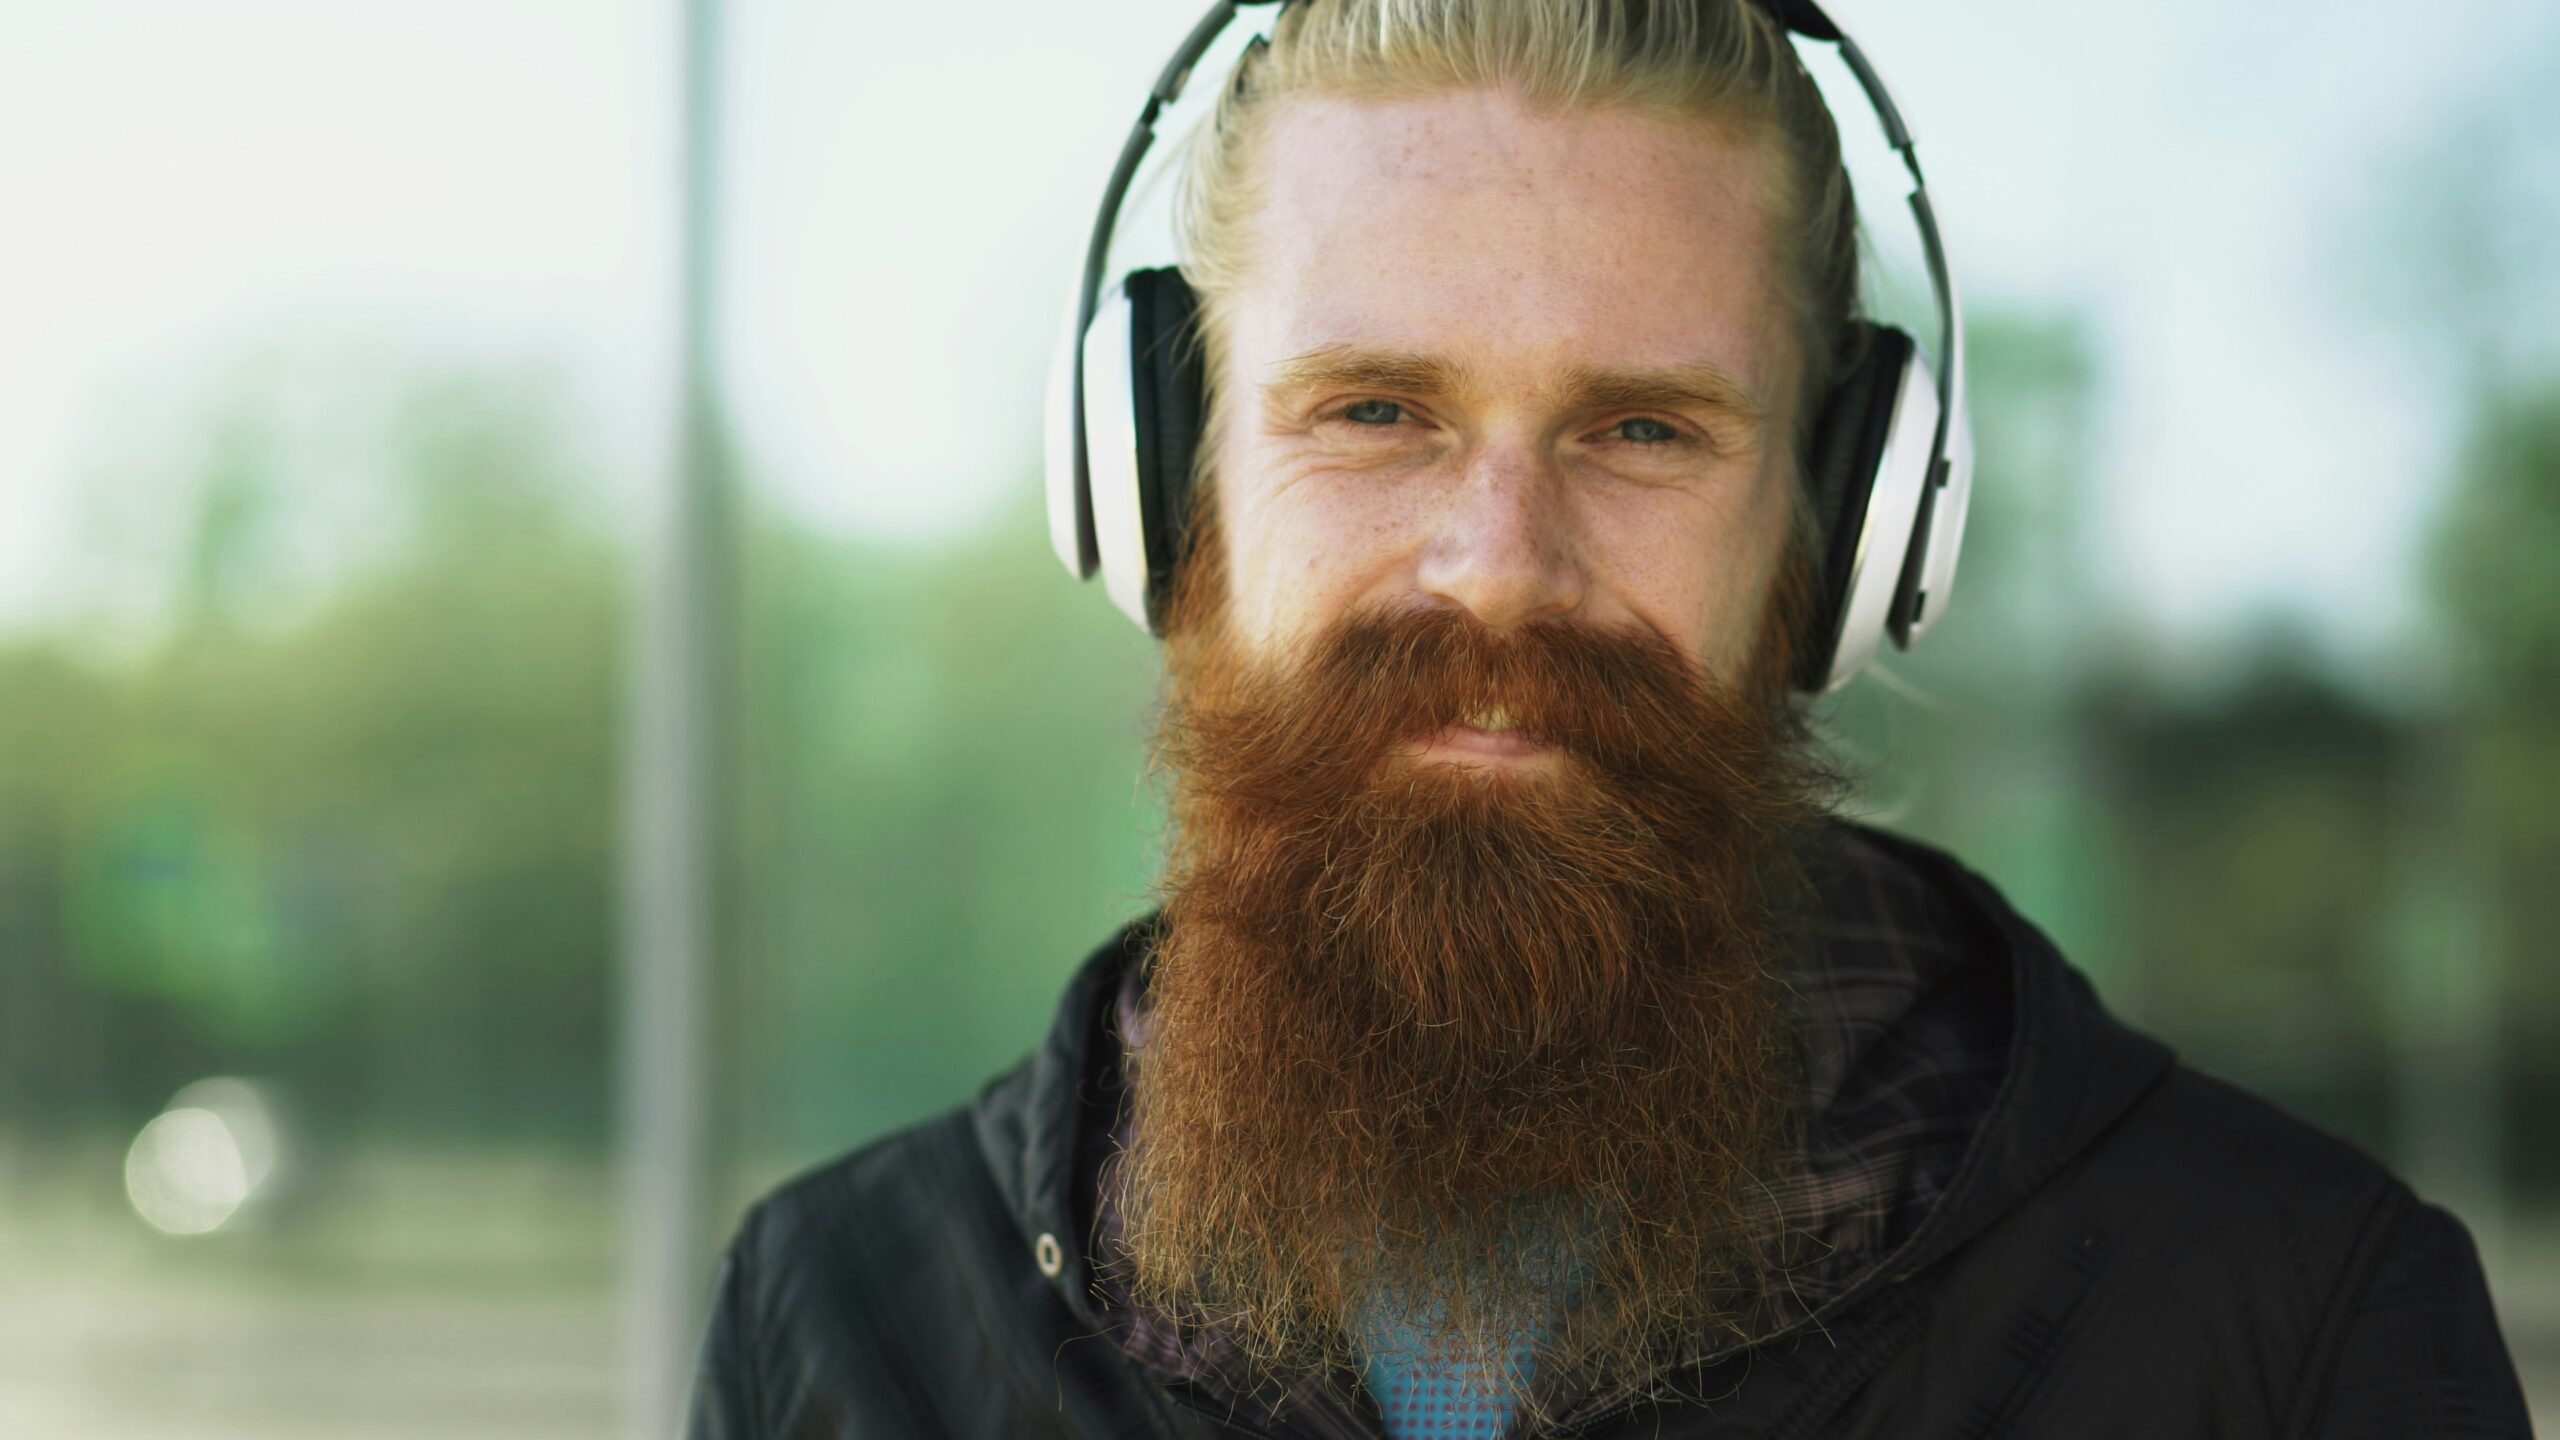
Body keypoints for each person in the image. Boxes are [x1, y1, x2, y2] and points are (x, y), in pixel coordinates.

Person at [684, 1, 2532, 1435]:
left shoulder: (2298, 1326)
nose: (1498, 568)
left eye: (1645, 430)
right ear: (1167, 491)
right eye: (1372, 411)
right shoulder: (841, 1321)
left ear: (1844, 530)